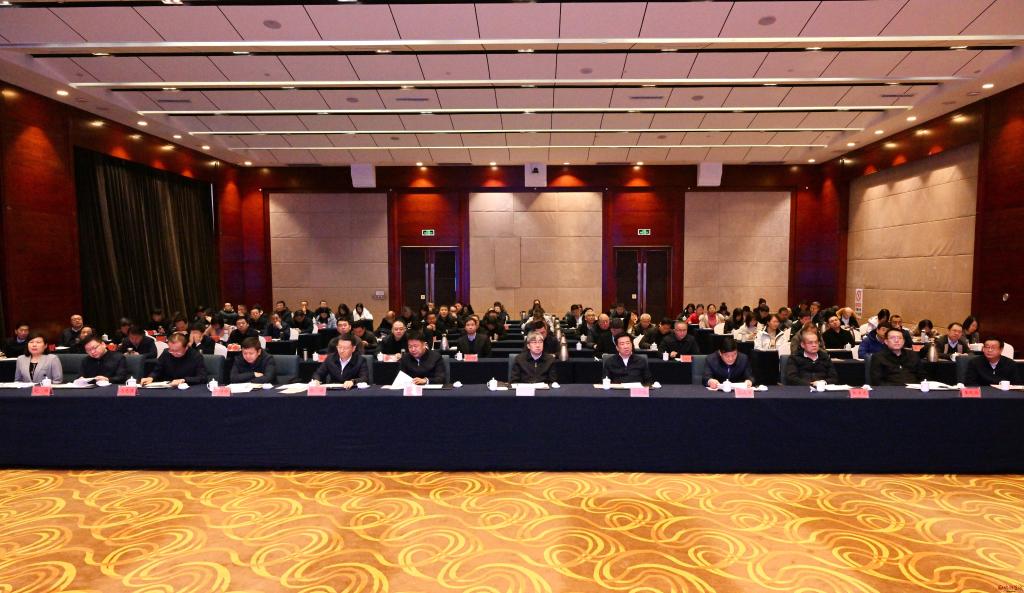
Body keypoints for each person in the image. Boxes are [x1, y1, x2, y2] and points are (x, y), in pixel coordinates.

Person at [141, 333, 208, 387]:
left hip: (189, 388)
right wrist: (151, 377)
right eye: (171, 350)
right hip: (168, 387)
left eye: (177, 351)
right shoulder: (166, 353)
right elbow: (157, 369)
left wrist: (184, 380)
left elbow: (202, 377)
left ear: (186, 347)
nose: (174, 353)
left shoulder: (196, 356)